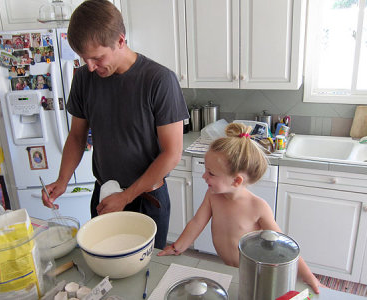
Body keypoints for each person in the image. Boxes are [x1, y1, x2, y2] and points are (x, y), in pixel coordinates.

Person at [41, 0, 188, 249]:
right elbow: (77, 136)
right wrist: (63, 179)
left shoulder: (159, 80)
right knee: (105, 266)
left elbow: (172, 154)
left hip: (147, 198)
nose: (90, 66)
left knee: (146, 275)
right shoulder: (84, 78)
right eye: (84, 58)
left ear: (121, 41)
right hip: (105, 195)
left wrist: (127, 196)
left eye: (97, 58)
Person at [157, 123, 324, 294]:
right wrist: (177, 247)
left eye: (211, 173)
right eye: (205, 170)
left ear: (236, 181)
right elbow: (197, 222)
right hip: (227, 268)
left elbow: (283, 247)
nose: (204, 176)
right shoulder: (212, 195)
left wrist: (308, 276)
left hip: (255, 275)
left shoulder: (257, 207)